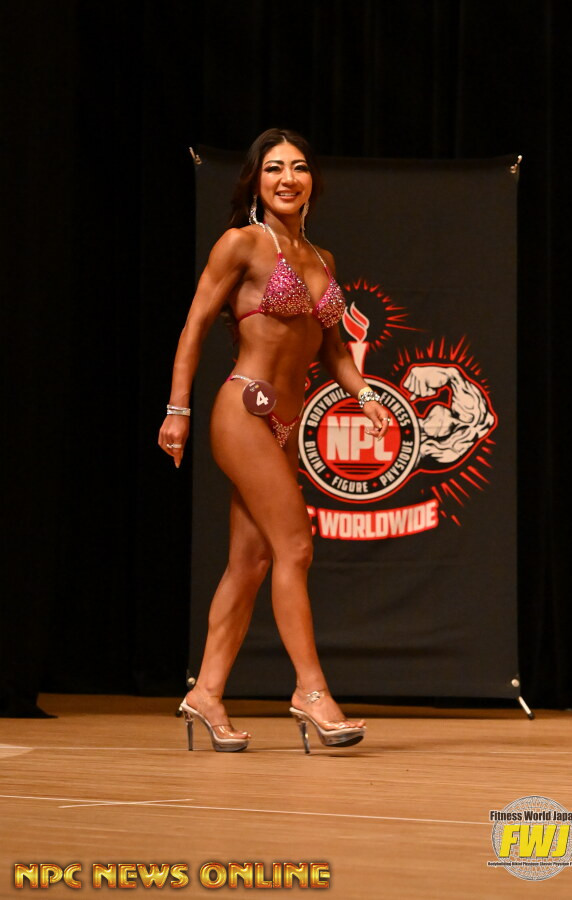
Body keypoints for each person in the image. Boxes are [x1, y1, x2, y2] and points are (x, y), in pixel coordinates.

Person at [158, 128, 391, 753]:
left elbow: (334, 350)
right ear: (255, 181)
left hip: (287, 424)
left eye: (299, 167)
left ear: (313, 181)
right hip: (244, 411)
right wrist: (177, 409)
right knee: (295, 546)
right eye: (274, 168)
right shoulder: (242, 243)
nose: (288, 178)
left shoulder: (321, 259)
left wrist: (364, 395)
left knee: (252, 561)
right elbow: (194, 325)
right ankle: (311, 691)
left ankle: (207, 692)